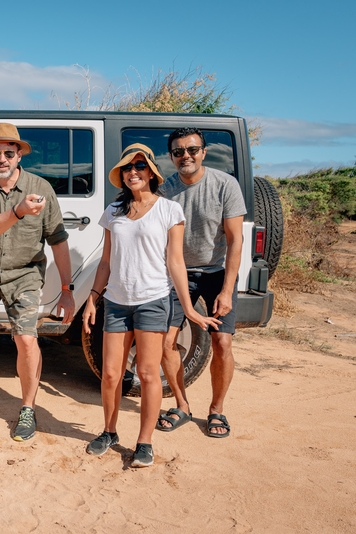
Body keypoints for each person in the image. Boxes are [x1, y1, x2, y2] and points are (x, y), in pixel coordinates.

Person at [82, 144, 220, 467]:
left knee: (147, 373)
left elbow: (175, 263)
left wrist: (187, 307)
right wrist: (92, 299)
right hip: (116, 302)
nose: (134, 172)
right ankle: (109, 431)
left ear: (151, 173)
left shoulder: (169, 211)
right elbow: (105, 262)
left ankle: (144, 441)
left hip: (152, 302)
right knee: (111, 374)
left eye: (140, 166)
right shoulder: (113, 212)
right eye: (128, 168)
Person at [0, 123, 75, 442]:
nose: (3, 158)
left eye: (9, 152)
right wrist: (18, 212)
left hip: (25, 274)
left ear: (19, 154)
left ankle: (27, 408)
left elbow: (58, 240)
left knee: (26, 340)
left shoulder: (41, 188)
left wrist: (67, 290)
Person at [158, 128, 247, 438]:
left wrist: (227, 290)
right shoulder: (165, 190)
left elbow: (236, 241)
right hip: (177, 272)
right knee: (165, 342)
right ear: (171, 157)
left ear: (204, 152)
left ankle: (217, 409)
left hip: (217, 272)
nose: (186, 156)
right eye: (179, 151)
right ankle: (182, 405)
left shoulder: (225, 185)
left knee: (222, 342)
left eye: (192, 149)